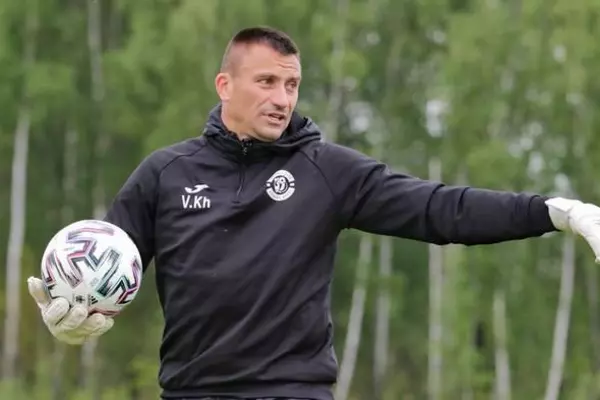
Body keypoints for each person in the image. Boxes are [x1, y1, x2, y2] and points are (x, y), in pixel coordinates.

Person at [26, 26, 600, 400]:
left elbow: (440, 209)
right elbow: (103, 265)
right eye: (267, 82)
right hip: (190, 391)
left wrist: (556, 212)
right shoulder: (165, 173)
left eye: (292, 84)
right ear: (225, 85)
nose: (282, 98)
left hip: (294, 391)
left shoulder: (327, 171)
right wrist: (67, 317)